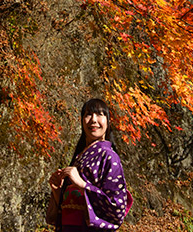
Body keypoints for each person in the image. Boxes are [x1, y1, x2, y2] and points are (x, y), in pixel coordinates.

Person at [47, 98, 133, 232]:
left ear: (108, 121)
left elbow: (116, 207)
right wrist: (57, 191)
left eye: (99, 114)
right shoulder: (79, 156)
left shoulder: (109, 156)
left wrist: (82, 185)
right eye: (88, 114)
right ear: (82, 121)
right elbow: (68, 207)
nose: (93, 120)